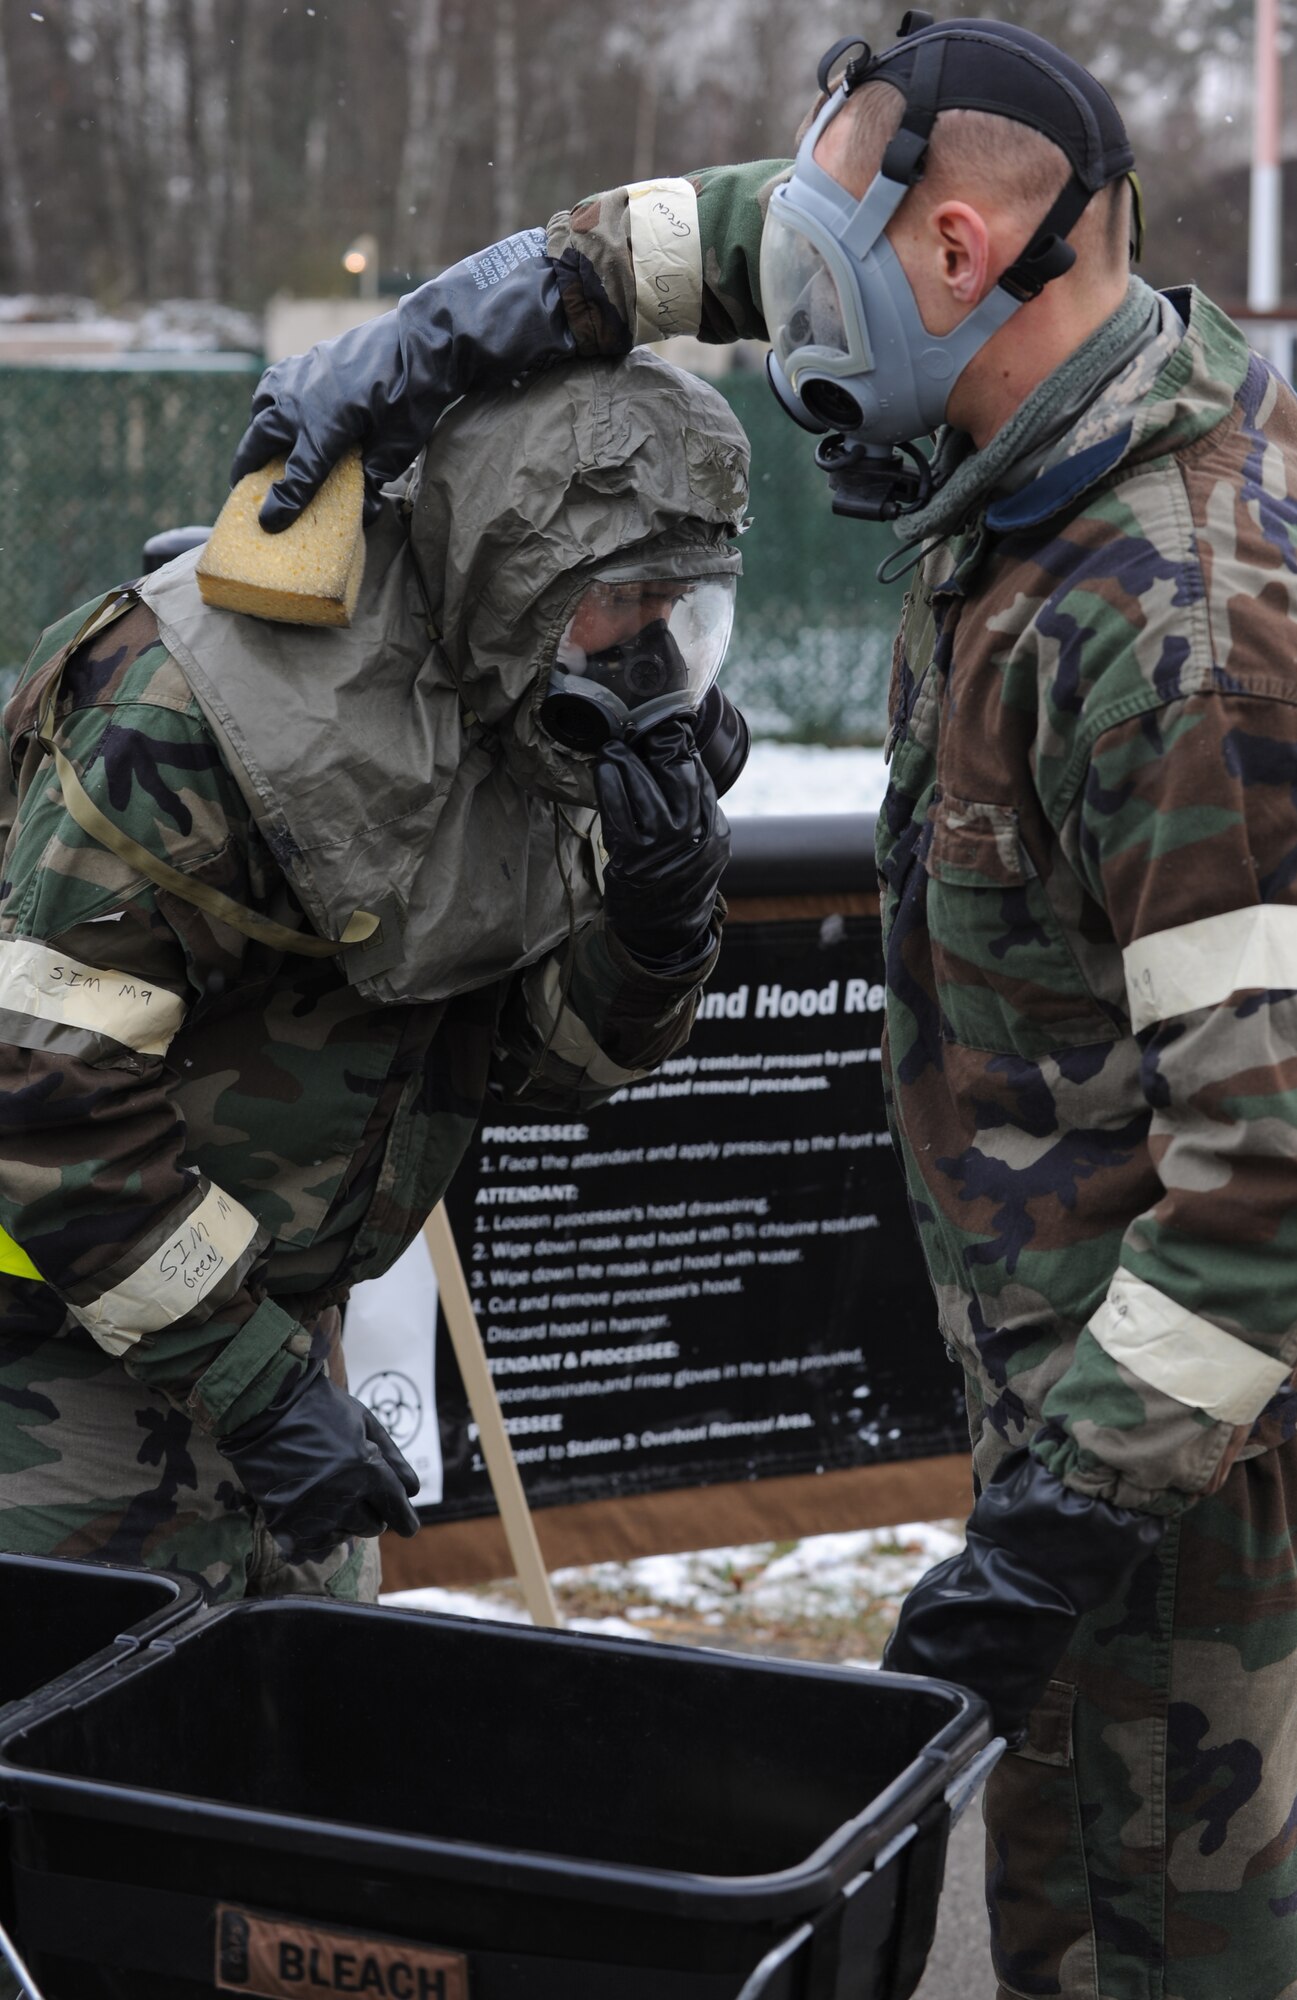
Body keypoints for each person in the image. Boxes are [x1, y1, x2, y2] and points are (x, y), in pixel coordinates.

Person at [227, 15, 1297, 1999]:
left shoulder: (1168, 623)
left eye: (829, 278)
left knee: (1139, 1926)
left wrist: (1046, 1543)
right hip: (1076, 1406)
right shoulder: (1033, 380)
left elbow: (1270, 1179)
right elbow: (735, 236)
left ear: (966, 254)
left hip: (1176, 1482)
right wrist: (452, 327)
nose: (785, 317)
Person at [0, 346, 747, 1607]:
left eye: (686, 602)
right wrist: (259, 1390)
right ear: (517, 577)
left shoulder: (513, 711)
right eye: (630, 601)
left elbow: (529, 1060)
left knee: (283, 1744)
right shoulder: (188, 714)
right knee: (81, 1757)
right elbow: (38, 1091)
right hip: (51, 1363)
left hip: (270, 1333)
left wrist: (652, 931)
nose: (652, 647)